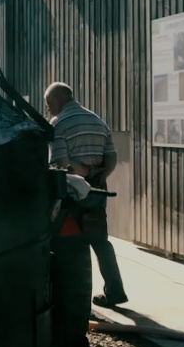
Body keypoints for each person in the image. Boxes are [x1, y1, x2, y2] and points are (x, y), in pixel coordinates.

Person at [43, 82, 128, 308]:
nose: (48, 109)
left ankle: (72, 301)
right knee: (101, 242)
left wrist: (84, 171)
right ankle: (115, 290)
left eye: (49, 103)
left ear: (59, 99)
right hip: (97, 192)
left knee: (69, 248)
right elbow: (111, 155)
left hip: (71, 195)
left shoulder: (58, 123)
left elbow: (60, 164)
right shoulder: (97, 120)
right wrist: (100, 175)